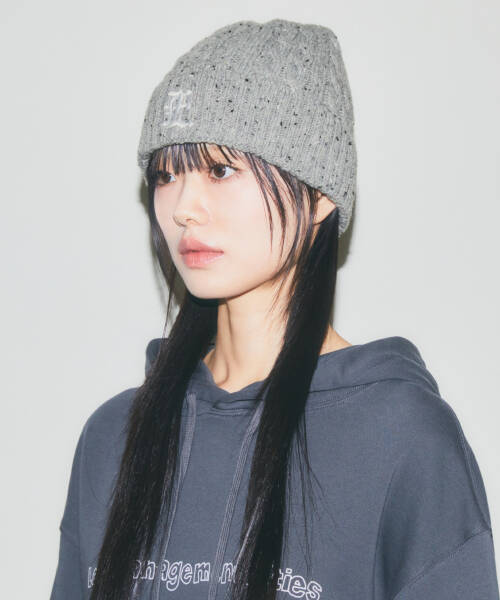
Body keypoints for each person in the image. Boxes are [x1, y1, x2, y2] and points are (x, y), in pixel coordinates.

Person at [50, 18, 500, 600]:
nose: (183, 207)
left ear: (320, 197)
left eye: (219, 170)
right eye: (165, 174)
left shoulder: (399, 438)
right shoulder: (113, 437)